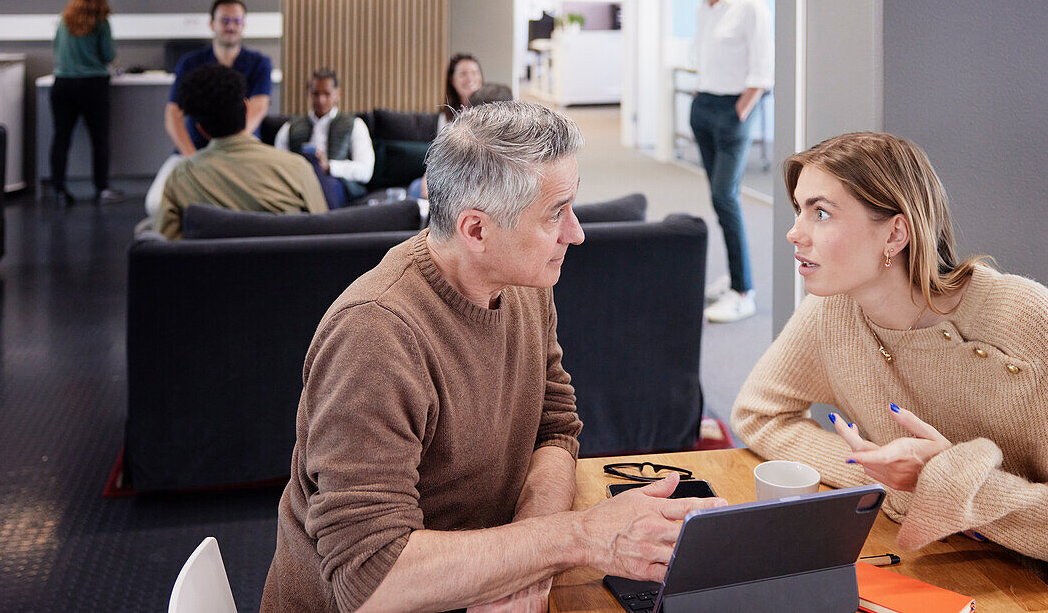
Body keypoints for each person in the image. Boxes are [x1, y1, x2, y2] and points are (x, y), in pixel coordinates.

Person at [261, 101, 724, 613]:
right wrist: (574, 538)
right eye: (556, 213)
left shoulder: (523, 281)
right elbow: (372, 580)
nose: (577, 232)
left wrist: (527, 557)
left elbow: (555, 427)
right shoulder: (375, 335)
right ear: (476, 230)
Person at [731, 131, 1048, 612]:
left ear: (895, 234)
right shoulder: (834, 310)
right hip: (928, 564)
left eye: (821, 213)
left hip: (1038, 593)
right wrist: (881, 475)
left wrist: (947, 485)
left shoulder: (1026, 321)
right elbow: (760, 414)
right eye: (799, 209)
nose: (795, 232)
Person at [690, 0, 773, 323]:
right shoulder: (705, 8)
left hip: (732, 111)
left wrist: (739, 111)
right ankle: (735, 277)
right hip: (704, 106)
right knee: (718, 198)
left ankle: (743, 291)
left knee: (726, 198)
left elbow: (763, 67)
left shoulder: (750, 4)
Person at [153, 64, 326, 240]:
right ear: (246, 107)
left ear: (201, 130)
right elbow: (325, 235)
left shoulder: (180, 179)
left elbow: (166, 253)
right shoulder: (297, 169)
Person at [145, 0, 273, 217]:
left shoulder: (259, 63)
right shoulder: (191, 63)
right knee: (156, 205)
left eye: (237, 21)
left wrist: (229, 147)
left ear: (244, 25)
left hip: (243, 150)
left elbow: (259, 107)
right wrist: (193, 157)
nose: (231, 27)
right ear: (211, 24)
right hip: (193, 152)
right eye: (225, 21)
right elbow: (173, 114)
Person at [49, 0, 120, 205]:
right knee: (99, 139)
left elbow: (56, 49)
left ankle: (58, 190)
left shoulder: (64, 19)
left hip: (63, 84)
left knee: (61, 138)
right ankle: (101, 189)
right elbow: (108, 55)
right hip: (93, 85)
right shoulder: (101, 22)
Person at [274, 68, 375, 208]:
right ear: (309, 94)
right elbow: (279, 166)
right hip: (299, 182)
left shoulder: (355, 125)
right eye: (316, 94)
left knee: (324, 184)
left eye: (327, 94)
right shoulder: (289, 128)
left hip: (335, 184)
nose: (321, 100)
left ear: (337, 94)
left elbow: (365, 171)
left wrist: (329, 167)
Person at [438, 52, 483, 130]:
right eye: (463, 74)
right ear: (452, 80)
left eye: (474, 73)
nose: (470, 79)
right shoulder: (445, 117)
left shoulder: (492, 110)